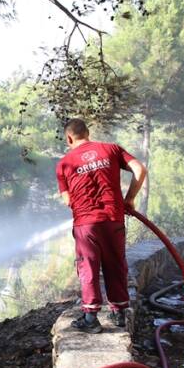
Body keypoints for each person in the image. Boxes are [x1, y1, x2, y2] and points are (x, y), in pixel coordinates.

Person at [56, 118, 147, 334]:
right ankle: (119, 313)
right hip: (113, 218)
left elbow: (67, 200)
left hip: (86, 224)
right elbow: (140, 169)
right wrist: (129, 198)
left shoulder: (64, 163)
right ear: (87, 133)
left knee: (88, 267)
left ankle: (90, 317)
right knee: (115, 263)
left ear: (69, 138)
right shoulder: (111, 149)